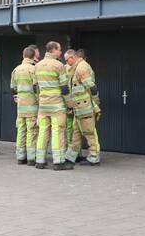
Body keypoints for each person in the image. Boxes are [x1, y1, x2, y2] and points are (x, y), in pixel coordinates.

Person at [35, 41, 70, 170]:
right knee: (57, 132)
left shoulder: (37, 65)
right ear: (54, 49)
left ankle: (39, 161)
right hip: (56, 105)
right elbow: (64, 89)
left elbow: (35, 88)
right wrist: (70, 104)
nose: (60, 52)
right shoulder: (59, 65)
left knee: (43, 131)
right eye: (59, 50)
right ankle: (59, 162)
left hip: (43, 106)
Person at [65, 48, 102, 166]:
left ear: (72, 58)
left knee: (89, 132)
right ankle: (70, 157)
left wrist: (96, 105)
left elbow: (92, 87)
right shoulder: (76, 67)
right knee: (75, 132)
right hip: (78, 108)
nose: (66, 63)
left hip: (85, 107)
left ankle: (94, 157)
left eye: (67, 60)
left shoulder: (81, 67)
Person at [10, 45, 40, 165]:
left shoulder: (16, 69)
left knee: (21, 131)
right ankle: (32, 158)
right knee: (32, 132)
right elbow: (36, 88)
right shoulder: (34, 69)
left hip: (20, 107)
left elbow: (13, 88)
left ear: (23, 56)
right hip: (32, 106)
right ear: (33, 56)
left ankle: (21, 157)